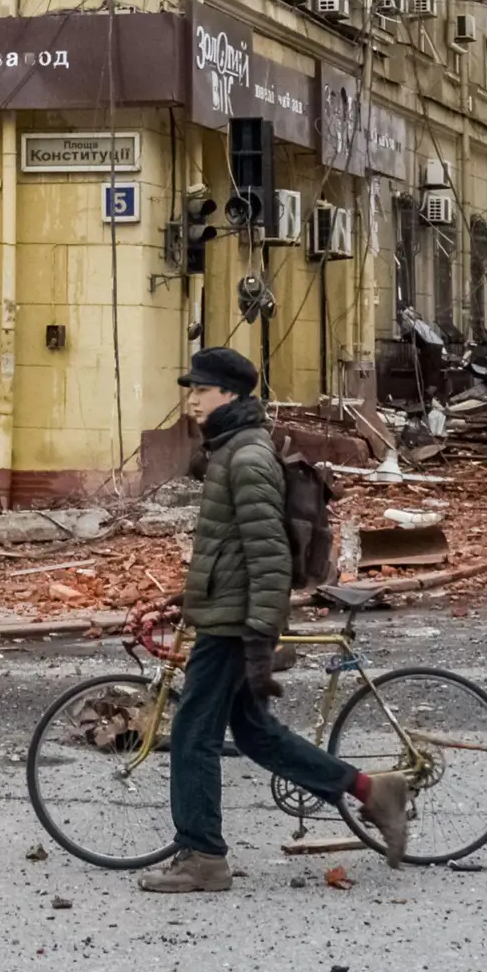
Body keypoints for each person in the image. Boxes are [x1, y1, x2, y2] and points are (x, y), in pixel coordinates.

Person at [140, 344, 411, 891]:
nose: (192, 400)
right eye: (192, 390)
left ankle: (203, 858)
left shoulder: (246, 458)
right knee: (255, 734)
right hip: (227, 613)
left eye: (202, 390)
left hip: (234, 625)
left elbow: (268, 556)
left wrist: (260, 638)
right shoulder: (230, 451)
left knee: (192, 735)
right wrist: (189, 598)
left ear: (230, 394)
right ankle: (370, 790)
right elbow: (230, 550)